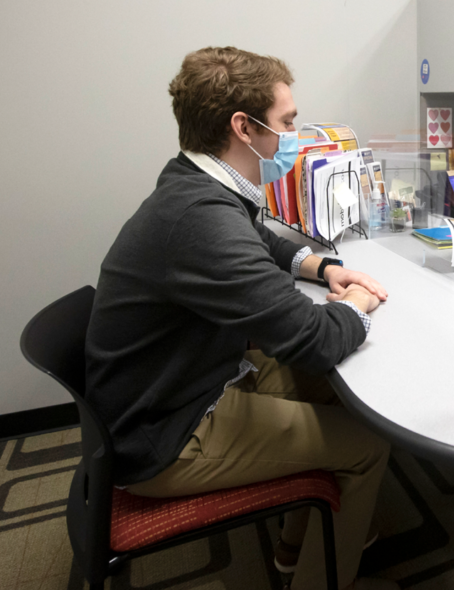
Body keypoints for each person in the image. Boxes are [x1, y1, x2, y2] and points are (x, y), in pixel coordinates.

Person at [86, 46, 397, 590]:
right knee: (368, 444)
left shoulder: (193, 184)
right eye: (287, 122)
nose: (292, 135)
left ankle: (298, 548)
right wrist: (357, 304)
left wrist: (322, 268)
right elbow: (317, 341)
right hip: (168, 435)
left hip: (178, 382)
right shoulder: (201, 219)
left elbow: (259, 240)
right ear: (244, 128)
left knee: (330, 391)